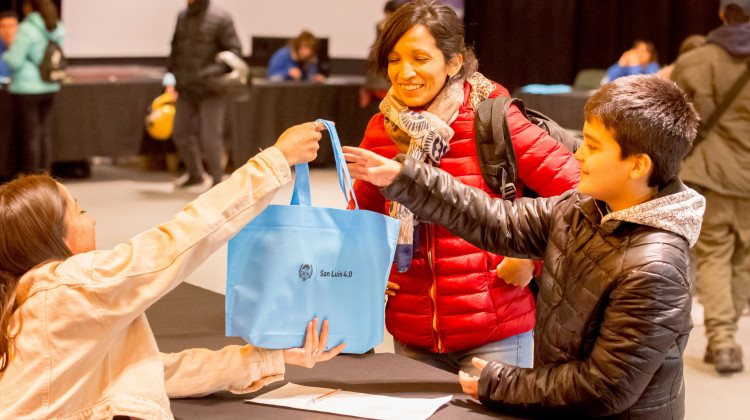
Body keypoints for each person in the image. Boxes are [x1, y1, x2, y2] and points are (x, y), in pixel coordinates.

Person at [345, 74, 704, 419]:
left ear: (638, 165)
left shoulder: (655, 267)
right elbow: (494, 219)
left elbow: (604, 387)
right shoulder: (583, 209)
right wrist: (405, 178)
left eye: (593, 147)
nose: (578, 156)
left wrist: (500, 383)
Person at [0, 121, 347, 418]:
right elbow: (185, 236)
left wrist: (272, 359)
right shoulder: (74, 287)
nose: (92, 219)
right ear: (51, 240)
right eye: (79, 212)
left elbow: (149, 373)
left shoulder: (32, 299)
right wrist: (277, 160)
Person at [351, 0, 580, 376]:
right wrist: (373, 270)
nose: (404, 73)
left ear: (453, 63)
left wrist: (531, 259)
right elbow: (363, 215)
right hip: (412, 333)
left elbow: (581, 196)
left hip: (495, 332)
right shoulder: (384, 126)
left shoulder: (492, 117)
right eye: (393, 60)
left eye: (420, 59)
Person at [671, 0, 750, 375]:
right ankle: (726, 335)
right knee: (744, 258)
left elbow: (675, 121)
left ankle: (722, 341)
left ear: (722, 15)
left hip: (710, 173)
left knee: (715, 254)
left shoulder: (695, 61)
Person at [166, 0, 241, 191]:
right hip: (185, 87)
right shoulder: (183, 16)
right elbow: (175, 49)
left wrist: (211, 72)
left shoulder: (220, 17)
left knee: (210, 137)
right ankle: (195, 174)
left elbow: (234, 51)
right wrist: (171, 78)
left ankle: (217, 181)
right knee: (180, 132)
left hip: (211, 89)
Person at [1, 0, 64, 176]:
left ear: (29, 7)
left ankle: (32, 179)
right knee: (44, 134)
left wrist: (7, 54)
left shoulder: (27, 29)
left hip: (27, 88)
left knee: (31, 136)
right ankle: (45, 176)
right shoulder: (56, 27)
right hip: (50, 85)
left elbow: (15, 60)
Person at [0, 10, 18, 81]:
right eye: (3, 26)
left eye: (11, 26)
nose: (7, 31)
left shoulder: (26, 48)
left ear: (18, 27)